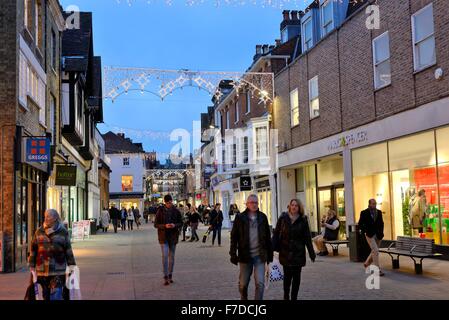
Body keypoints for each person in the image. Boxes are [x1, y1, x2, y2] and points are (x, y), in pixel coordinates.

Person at [230, 194, 273, 300]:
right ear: (247, 204)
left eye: (256, 202)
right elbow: (234, 237)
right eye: (252, 202)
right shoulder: (240, 217)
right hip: (245, 256)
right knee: (243, 284)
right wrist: (233, 253)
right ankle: (244, 297)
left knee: (260, 283)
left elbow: (268, 237)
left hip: (260, 256)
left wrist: (270, 255)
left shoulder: (263, 217)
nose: (254, 205)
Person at [272, 199, 316, 300]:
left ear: (299, 207)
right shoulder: (283, 218)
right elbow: (276, 234)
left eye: (296, 205)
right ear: (289, 206)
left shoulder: (303, 220)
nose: (294, 207)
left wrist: (311, 253)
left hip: (298, 253)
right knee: (287, 278)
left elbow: (307, 238)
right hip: (285, 252)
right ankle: (286, 295)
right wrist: (271, 249)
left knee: (296, 279)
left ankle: (294, 298)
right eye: (292, 205)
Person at [28, 209, 76, 300]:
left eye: (49, 216)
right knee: (46, 295)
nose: (46, 218)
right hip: (42, 269)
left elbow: (68, 250)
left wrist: (71, 265)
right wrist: (31, 264)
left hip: (58, 269)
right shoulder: (39, 231)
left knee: (56, 294)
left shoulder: (63, 232)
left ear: (55, 218)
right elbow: (33, 249)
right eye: (45, 216)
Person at [154, 194, 183, 285]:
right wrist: (164, 226)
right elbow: (156, 224)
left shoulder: (176, 211)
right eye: (167, 203)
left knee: (172, 257)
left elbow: (181, 222)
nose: (169, 204)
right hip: (163, 237)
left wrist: (175, 225)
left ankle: (170, 274)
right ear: (165, 202)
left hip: (173, 237)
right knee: (165, 256)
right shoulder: (160, 211)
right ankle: (165, 276)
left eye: (170, 202)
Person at [358, 199, 385, 276]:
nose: (374, 205)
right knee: (375, 250)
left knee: (374, 251)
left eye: (375, 203)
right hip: (369, 235)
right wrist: (364, 231)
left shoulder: (379, 212)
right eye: (373, 204)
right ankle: (377, 270)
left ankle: (367, 263)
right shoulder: (364, 213)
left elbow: (382, 223)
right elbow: (360, 224)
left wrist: (381, 233)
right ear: (369, 204)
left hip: (378, 235)